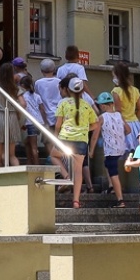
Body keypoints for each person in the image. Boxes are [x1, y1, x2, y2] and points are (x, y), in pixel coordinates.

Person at [53, 75, 99, 208]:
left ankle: (66, 176)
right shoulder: (86, 105)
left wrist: (55, 137)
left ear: (68, 89)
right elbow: (96, 124)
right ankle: (76, 201)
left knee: (54, 156)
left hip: (65, 138)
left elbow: (58, 124)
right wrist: (85, 129)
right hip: (81, 141)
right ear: (82, 91)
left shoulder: (63, 103)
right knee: (78, 170)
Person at [96, 91, 128, 206]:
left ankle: (120, 200)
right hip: (121, 147)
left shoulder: (102, 117)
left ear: (103, 105)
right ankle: (111, 186)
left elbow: (95, 135)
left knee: (113, 172)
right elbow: (128, 130)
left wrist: (91, 150)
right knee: (107, 165)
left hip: (111, 149)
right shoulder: (119, 115)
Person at [111, 62, 140, 136]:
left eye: (114, 76)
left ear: (118, 76)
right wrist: (134, 118)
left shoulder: (116, 91)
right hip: (135, 124)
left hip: (122, 124)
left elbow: (118, 111)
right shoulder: (135, 90)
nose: (113, 78)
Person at [18, 73, 42, 165]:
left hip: (29, 122)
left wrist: (21, 123)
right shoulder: (37, 96)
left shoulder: (23, 97)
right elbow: (41, 109)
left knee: (33, 147)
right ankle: (29, 161)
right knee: (27, 143)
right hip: (38, 122)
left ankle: (36, 165)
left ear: (23, 86)